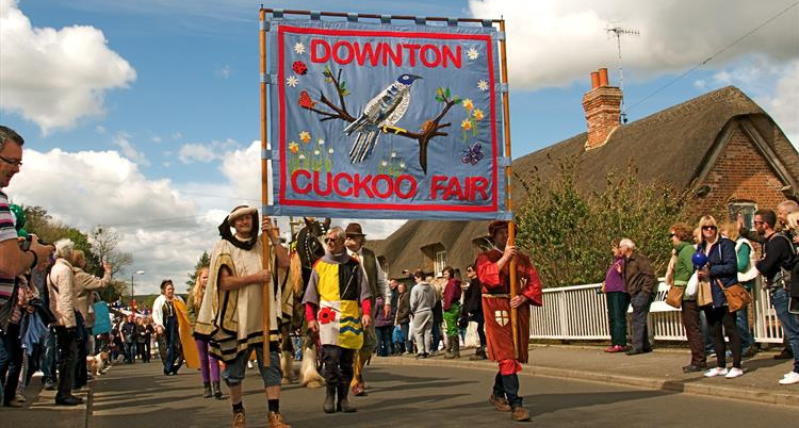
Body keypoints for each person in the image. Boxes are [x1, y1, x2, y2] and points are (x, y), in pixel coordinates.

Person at [194, 206, 291, 428]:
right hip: (236, 320)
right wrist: (256, 278)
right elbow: (223, 283)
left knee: (272, 369)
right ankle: (238, 414)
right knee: (234, 372)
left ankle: (274, 415)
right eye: (239, 219)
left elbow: (285, 263)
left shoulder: (263, 245)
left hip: (264, 320)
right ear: (232, 224)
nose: (245, 222)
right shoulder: (224, 246)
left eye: (248, 218)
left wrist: (274, 239)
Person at [475, 220, 542, 423]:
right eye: (502, 233)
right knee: (506, 355)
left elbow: (534, 282)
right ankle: (516, 404)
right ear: (494, 236)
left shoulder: (523, 259)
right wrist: (505, 258)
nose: (505, 236)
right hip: (496, 308)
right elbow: (486, 277)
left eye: (509, 232)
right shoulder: (486, 257)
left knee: (513, 355)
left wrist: (523, 297)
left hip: (517, 307)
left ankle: (497, 393)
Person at [303, 226, 372, 414]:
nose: (329, 243)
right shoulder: (319, 265)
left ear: (342, 241)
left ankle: (343, 399)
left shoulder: (354, 265)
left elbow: (365, 293)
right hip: (328, 320)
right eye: (327, 240)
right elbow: (310, 297)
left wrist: (366, 313)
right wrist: (310, 318)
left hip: (350, 318)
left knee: (347, 363)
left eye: (333, 239)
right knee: (331, 360)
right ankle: (329, 397)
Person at [738, 210, 799, 385]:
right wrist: (743, 231)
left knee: (792, 331)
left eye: (756, 223)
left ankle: (798, 369)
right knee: (792, 330)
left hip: (783, 290)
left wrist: (743, 277)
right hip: (779, 290)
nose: (754, 226)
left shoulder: (777, 241)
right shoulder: (771, 240)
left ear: (765, 224)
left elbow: (765, 264)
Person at [343, 222, 389, 396]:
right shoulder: (340, 256)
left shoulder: (370, 255)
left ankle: (356, 372)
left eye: (352, 237)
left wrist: (387, 301)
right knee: (352, 343)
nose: (349, 239)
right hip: (348, 305)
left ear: (360, 239)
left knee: (369, 342)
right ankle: (355, 378)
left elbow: (381, 280)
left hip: (367, 304)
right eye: (347, 236)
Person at [695, 216, 743, 379]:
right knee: (714, 331)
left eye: (712, 227)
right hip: (708, 293)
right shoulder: (700, 247)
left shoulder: (725, 244)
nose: (709, 230)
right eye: (705, 227)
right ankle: (721, 365)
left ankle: (736, 365)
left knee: (730, 328)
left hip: (723, 292)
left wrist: (711, 271)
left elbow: (731, 266)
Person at [47, 239, 84, 406]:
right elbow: (66, 297)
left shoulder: (54, 269)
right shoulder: (65, 270)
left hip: (57, 316)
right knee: (69, 356)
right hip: (64, 318)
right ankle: (64, 393)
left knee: (65, 356)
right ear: (68, 253)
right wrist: (70, 324)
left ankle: (64, 392)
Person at [71, 250, 112, 388]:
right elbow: (102, 284)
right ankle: (78, 380)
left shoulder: (69, 275)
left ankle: (79, 377)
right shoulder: (81, 276)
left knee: (77, 349)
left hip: (72, 315)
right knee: (82, 349)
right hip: (83, 316)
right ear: (80, 261)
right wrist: (107, 272)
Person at [669, 223, 706, 372]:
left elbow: (694, 270)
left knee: (692, 328)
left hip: (688, 295)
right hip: (685, 295)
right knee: (691, 328)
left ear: (679, 235)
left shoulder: (686, 250)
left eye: (672, 235)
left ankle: (698, 360)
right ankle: (698, 358)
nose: (670, 239)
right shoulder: (683, 251)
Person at [720, 222, 757, 357]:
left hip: (741, 284)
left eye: (723, 232)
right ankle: (742, 345)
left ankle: (747, 344)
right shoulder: (731, 246)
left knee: (739, 317)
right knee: (735, 317)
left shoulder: (742, 244)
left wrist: (724, 266)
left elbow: (741, 265)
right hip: (733, 283)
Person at [187, 266, 223, 399]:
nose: (207, 280)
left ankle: (217, 386)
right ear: (199, 278)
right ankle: (207, 386)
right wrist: (196, 325)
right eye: (204, 277)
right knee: (203, 359)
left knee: (213, 357)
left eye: (209, 277)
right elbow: (189, 311)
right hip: (199, 331)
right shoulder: (193, 294)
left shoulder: (215, 292)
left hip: (212, 329)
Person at [619, 238, 656, 356]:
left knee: (637, 320)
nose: (619, 249)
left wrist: (645, 291)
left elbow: (650, 275)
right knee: (639, 319)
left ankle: (637, 346)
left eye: (621, 246)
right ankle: (645, 345)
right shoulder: (626, 261)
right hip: (634, 294)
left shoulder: (639, 258)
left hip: (641, 293)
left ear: (627, 247)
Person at [602, 240, 630, 353]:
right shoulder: (615, 262)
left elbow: (627, 274)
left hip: (618, 291)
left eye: (614, 248)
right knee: (613, 317)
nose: (612, 250)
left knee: (618, 317)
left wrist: (621, 271)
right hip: (611, 291)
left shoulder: (624, 261)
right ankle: (615, 342)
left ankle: (620, 343)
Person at [462, 264, 487, 360]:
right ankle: (480, 351)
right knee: (478, 330)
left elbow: (475, 297)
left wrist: (471, 310)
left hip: (477, 310)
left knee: (478, 330)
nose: (467, 273)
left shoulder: (476, 283)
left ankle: (481, 351)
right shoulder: (473, 283)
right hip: (475, 310)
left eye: (469, 270)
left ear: (476, 271)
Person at [410, 269, 436, 359]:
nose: (415, 280)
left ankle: (421, 351)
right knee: (428, 332)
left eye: (416, 278)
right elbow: (434, 301)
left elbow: (413, 302)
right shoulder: (431, 287)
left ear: (420, 278)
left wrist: (413, 310)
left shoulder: (416, 288)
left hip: (419, 311)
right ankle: (427, 351)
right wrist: (430, 307)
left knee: (418, 332)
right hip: (429, 311)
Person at [441, 266, 462, 359]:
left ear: (450, 273)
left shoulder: (451, 284)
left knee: (451, 329)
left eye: (446, 274)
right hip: (456, 306)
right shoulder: (456, 283)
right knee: (453, 328)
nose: (444, 275)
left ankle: (452, 351)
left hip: (451, 307)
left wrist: (446, 307)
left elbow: (449, 296)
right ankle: (452, 350)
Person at [394, 282, 412, 354]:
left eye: (401, 288)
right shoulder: (400, 296)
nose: (400, 289)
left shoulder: (406, 295)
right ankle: (406, 348)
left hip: (404, 318)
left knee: (406, 334)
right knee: (403, 334)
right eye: (399, 288)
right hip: (400, 318)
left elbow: (407, 307)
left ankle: (409, 348)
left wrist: (402, 315)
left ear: (405, 288)